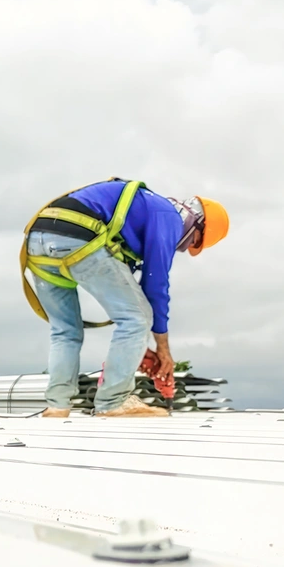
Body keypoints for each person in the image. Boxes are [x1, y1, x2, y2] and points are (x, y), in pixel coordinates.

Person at [20, 179, 228, 418]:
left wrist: (139, 349)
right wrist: (163, 349)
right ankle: (113, 402)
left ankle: (57, 406)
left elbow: (125, 290)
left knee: (65, 330)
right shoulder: (168, 215)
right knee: (137, 319)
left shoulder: (138, 215)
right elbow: (155, 284)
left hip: (38, 241)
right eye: (192, 242)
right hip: (79, 237)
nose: (184, 247)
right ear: (196, 224)